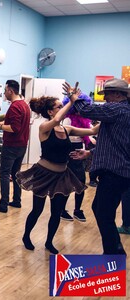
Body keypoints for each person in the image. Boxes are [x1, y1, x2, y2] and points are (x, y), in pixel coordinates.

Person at [17, 88, 97, 254]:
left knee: (56, 212)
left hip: (62, 176)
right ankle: (26, 236)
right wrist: (71, 101)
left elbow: (92, 131)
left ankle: (49, 242)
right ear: (50, 111)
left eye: (62, 105)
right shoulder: (44, 128)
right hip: (43, 175)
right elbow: (59, 118)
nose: (61, 108)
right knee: (37, 210)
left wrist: (112, 114)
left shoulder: (67, 130)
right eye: (58, 106)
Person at [66, 78, 130, 255]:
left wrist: (73, 96)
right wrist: (90, 153)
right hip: (119, 172)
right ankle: (114, 249)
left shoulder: (118, 109)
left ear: (118, 94)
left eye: (108, 94)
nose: (106, 98)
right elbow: (116, 144)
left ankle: (114, 252)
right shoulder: (123, 111)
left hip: (115, 173)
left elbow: (87, 110)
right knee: (100, 209)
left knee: (103, 213)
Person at [0, 80, 30, 213]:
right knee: (16, 173)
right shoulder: (24, 105)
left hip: (12, 145)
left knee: (5, 174)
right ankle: (17, 200)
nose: (4, 93)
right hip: (22, 145)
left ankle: (3, 204)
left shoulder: (14, 107)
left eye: (5, 90)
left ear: (10, 91)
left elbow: (14, 128)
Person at [60, 93, 94, 222]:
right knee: (67, 184)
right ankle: (62, 210)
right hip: (70, 154)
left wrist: (90, 139)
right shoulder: (68, 120)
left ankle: (77, 210)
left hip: (80, 153)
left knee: (80, 184)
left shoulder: (85, 121)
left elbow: (89, 133)